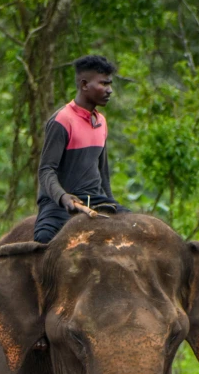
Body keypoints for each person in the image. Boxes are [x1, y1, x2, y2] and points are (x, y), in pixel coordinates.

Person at [34, 54, 129, 244]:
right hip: (58, 205)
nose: (109, 90)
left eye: (110, 84)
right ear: (85, 85)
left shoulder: (101, 121)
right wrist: (64, 198)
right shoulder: (61, 121)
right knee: (44, 240)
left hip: (95, 201)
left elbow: (103, 173)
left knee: (137, 228)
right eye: (103, 84)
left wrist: (112, 203)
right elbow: (46, 171)